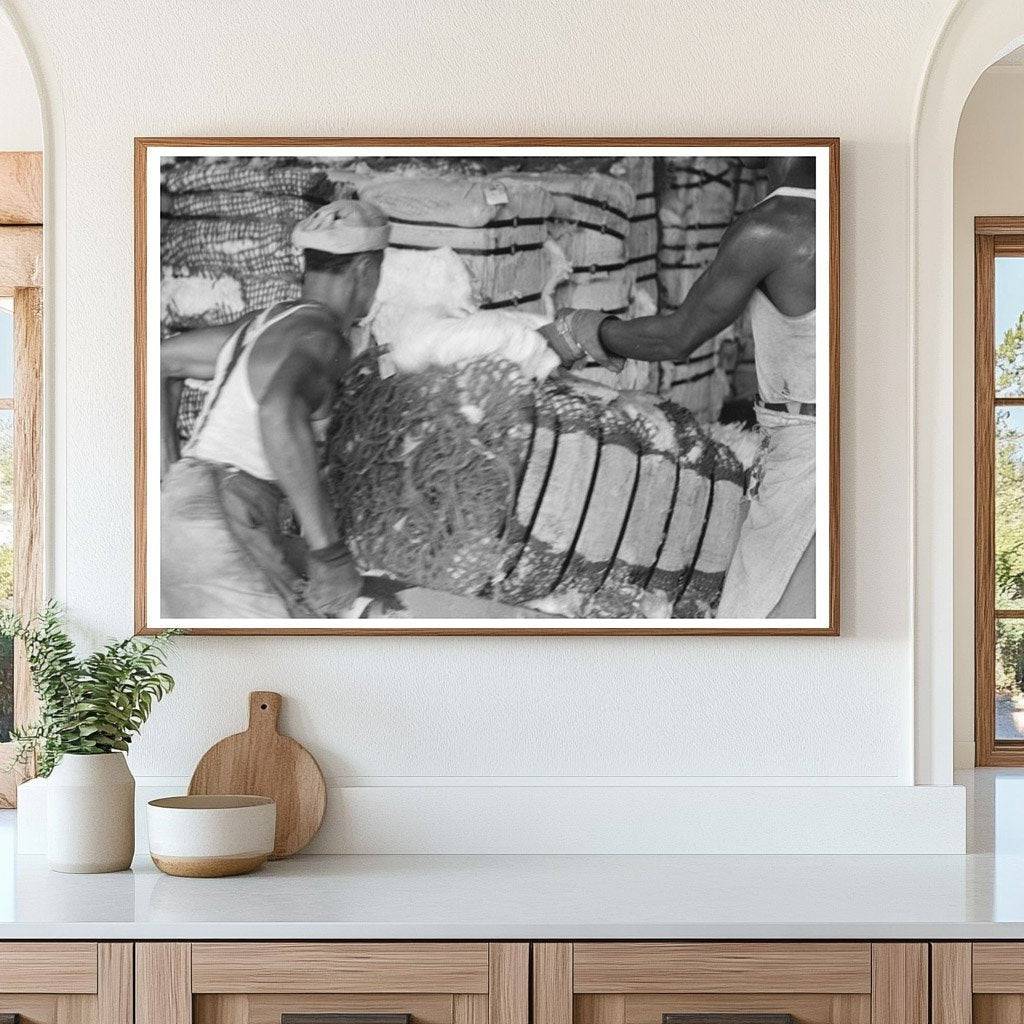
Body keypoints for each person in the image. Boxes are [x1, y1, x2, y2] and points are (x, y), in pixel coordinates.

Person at [540, 156, 818, 619]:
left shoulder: (773, 226)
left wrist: (585, 331)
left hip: (807, 449)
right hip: (828, 433)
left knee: (761, 621)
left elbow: (679, 336)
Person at [159, 199, 389, 620]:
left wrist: (170, 474)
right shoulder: (323, 339)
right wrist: (329, 553)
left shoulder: (263, 323)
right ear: (366, 272)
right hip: (225, 519)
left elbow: (159, 362)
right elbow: (278, 414)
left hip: (181, 514)